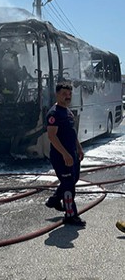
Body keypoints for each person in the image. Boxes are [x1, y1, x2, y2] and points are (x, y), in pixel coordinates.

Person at [44, 83, 86, 226]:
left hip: (72, 154)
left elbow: (71, 133)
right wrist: (65, 155)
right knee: (68, 185)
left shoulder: (67, 112)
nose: (67, 97)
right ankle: (70, 215)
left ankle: (55, 200)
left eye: (69, 94)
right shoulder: (54, 114)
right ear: (57, 94)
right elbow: (52, 137)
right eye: (64, 94)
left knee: (73, 180)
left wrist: (79, 148)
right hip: (61, 156)